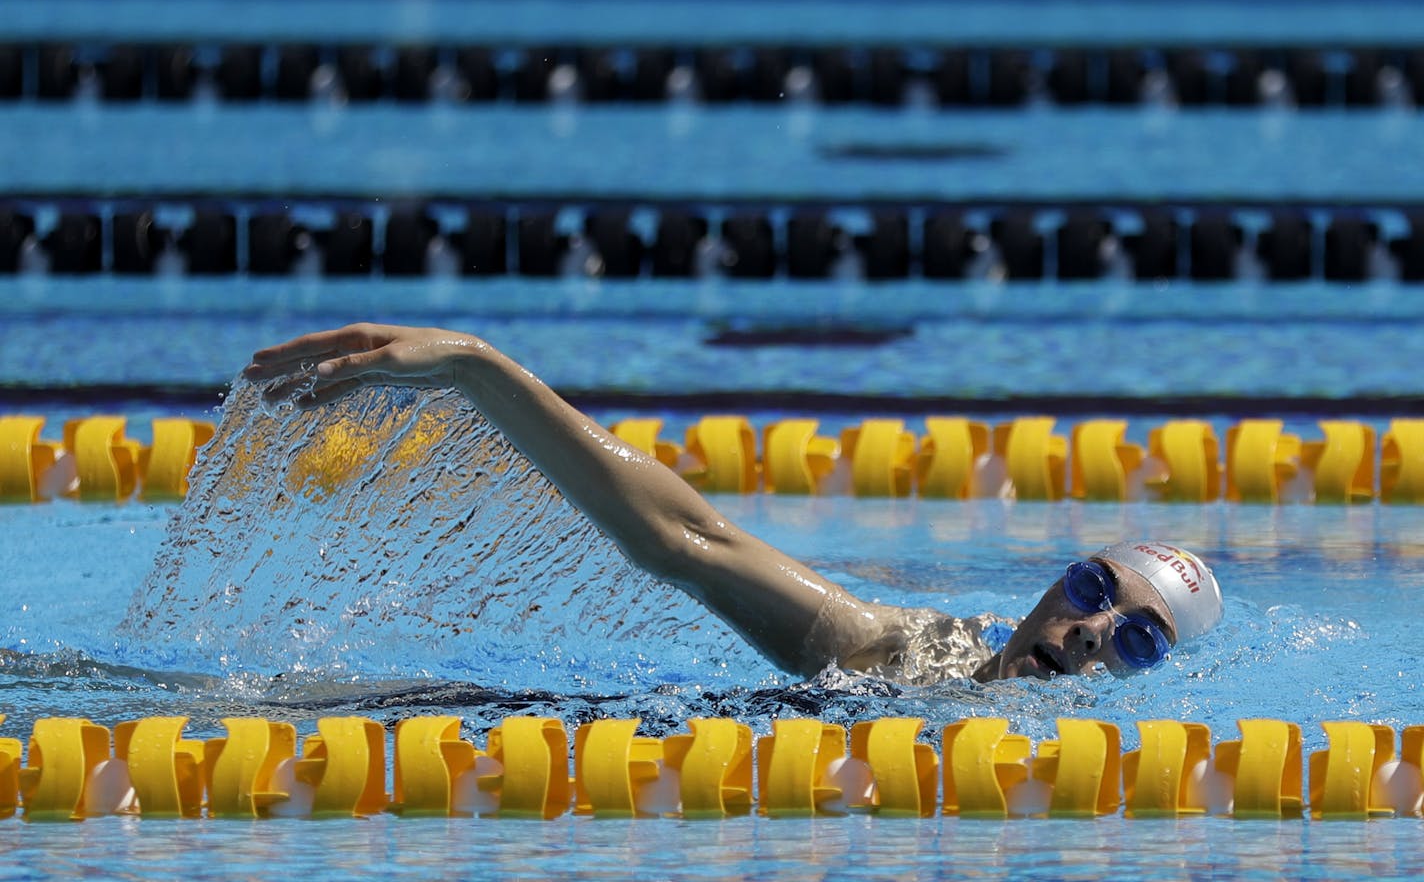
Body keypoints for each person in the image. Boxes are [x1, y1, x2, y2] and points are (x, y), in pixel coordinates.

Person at [245, 322, 1224, 686]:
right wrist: (477, 368)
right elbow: (687, 539)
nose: (1092, 629)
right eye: (1094, 584)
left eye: (1135, 640)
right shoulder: (906, 657)